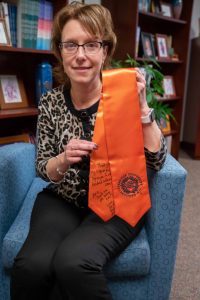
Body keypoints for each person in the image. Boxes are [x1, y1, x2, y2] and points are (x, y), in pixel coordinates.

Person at [10, 2, 167, 300]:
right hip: (64, 199)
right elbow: (43, 167)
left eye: (91, 44)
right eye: (71, 45)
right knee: (31, 266)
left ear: (105, 51)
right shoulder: (51, 102)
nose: (81, 55)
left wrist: (143, 109)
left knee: (73, 262)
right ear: (60, 51)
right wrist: (63, 159)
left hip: (118, 202)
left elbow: (158, 160)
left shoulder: (123, 95)